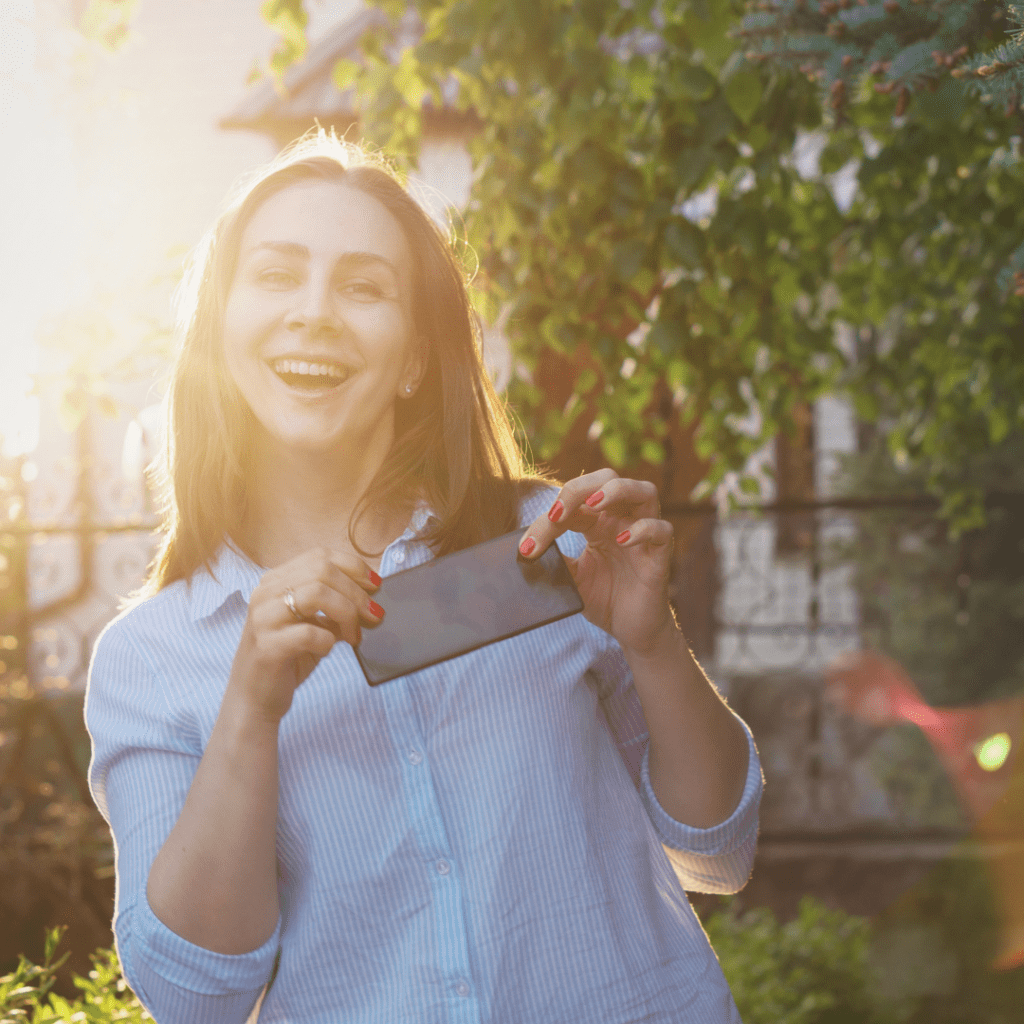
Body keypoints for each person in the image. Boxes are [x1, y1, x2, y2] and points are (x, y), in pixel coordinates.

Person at [85, 133, 763, 1024]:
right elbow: (195, 995)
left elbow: (719, 851)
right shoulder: (153, 658)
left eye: (364, 288)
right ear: (221, 330)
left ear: (412, 358)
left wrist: (656, 642)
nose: (314, 313)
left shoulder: (546, 547)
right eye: (278, 276)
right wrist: (249, 706)